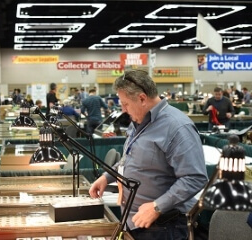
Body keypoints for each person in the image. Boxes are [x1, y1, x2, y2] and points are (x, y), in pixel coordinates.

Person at [89, 70, 208, 240]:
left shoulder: (178, 128)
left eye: (125, 104)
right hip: (134, 222)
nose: (122, 109)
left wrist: (157, 207)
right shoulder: (137, 121)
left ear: (142, 99)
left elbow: (195, 177)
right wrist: (108, 177)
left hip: (164, 227)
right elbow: (129, 159)